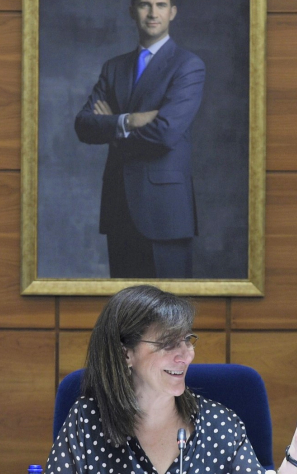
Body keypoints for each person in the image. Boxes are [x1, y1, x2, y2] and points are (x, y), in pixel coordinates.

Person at [47, 285, 297, 474]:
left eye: (187, 340)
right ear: (126, 354)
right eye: (168, 344)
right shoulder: (87, 422)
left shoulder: (219, 425)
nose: (186, 355)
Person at [74, 0, 205, 279]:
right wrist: (129, 120)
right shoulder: (113, 68)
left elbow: (166, 133)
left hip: (165, 211)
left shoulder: (188, 66)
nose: (153, 13)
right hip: (119, 207)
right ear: (132, 11)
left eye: (161, 4)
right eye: (145, 4)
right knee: (125, 315)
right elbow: (83, 125)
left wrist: (112, 128)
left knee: (168, 315)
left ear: (173, 11)